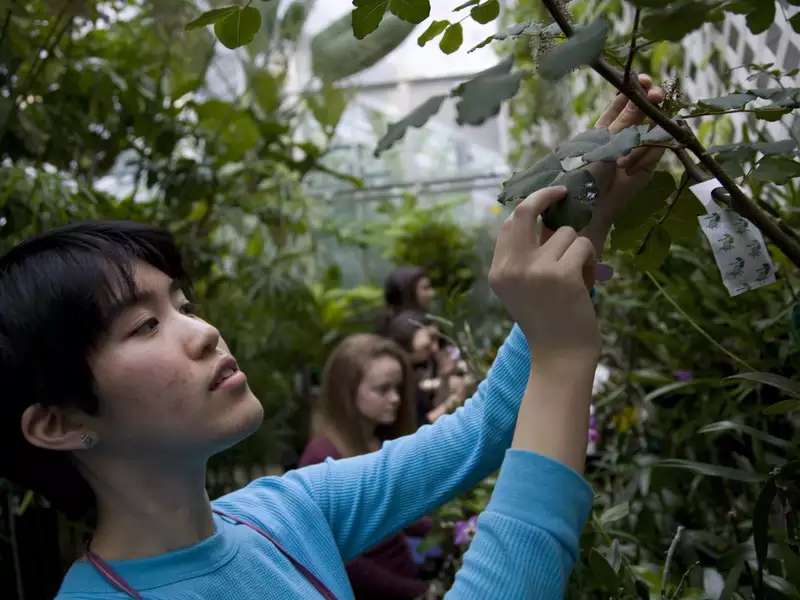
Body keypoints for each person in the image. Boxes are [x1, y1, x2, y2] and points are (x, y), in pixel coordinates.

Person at [0, 75, 665, 599]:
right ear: (57, 423)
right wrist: (564, 357)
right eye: (145, 325)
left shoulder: (280, 512)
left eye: (183, 304)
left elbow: (483, 429)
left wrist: (588, 217)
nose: (202, 333)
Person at [298, 334, 432, 599]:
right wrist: (417, 592)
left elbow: (398, 510)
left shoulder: (377, 443)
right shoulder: (322, 460)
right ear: (347, 392)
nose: (395, 398)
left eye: (398, 388)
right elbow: (341, 561)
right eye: (382, 389)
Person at [385, 310, 468, 425]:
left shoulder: (420, 366)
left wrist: (445, 378)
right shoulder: (394, 376)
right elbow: (419, 425)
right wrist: (451, 403)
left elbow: (433, 407)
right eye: (431, 338)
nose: (435, 347)